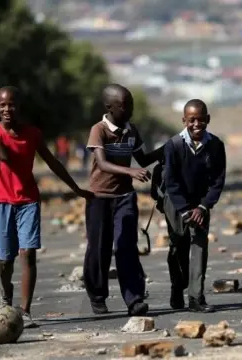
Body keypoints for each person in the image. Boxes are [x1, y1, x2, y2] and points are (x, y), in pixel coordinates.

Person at [0, 86, 91, 328]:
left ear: (19, 106)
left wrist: (77, 189)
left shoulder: (32, 134)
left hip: (28, 200)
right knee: (5, 260)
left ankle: (25, 310)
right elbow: (2, 156)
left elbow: (53, 162)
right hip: (0, 200)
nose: (6, 109)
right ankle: (6, 292)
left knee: (28, 253)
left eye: (11, 104)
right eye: (1, 105)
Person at [84, 84, 164, 316]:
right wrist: (131, 172)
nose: (130, 109)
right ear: (109, 107)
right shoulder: (99, 130)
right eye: (124, 105)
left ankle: (134, 299)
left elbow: (143, 157)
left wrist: (168, 149)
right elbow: (102, 163)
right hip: (99, 197)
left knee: (126, 247)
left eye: (131, 104)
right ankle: (97, 295)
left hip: (125, 197)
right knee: (99, 248)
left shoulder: (132, 131)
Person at [163, 99, 226, 313]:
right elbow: (170, 182)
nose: (196, 124)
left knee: (199, 247)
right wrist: (183, 210)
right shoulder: (173, 146)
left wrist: (203, 207)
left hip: (200, 205)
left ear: (208, 119)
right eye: (192, 120)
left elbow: (218, 181)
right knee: (178, 247)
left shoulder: (216, 145)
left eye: (201, 119)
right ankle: (177, 287)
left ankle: (196, 298)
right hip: (176, 203)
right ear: (184, 121)